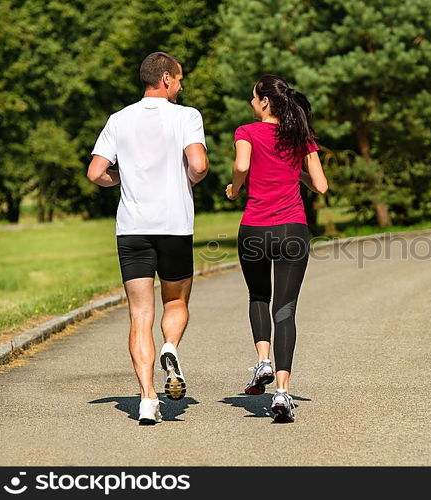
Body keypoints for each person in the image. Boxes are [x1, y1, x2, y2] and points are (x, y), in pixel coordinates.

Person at [87, 52, 208, 425]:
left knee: (140, 315)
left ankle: (147, 398)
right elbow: (200, 165)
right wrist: (188, 180)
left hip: (132, 228)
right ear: (167, 79)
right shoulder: (186, 116)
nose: (182, 85)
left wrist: (121, 180)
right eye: (180, 78)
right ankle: (170, 346)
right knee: (175, 301)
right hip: (174, 225)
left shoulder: (118, 119)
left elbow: (95, 173)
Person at [227, 74, 328, 423]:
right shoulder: (301, 136)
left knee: (258, 296)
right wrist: (293, 173)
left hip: (255, 228)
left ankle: (263, 362)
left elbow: (242, 165)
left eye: (253, 96)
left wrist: (235, 187)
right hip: (292, 230)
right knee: (285, 309)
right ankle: (282, 392)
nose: (251, 102)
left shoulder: (247, 132)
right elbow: (321, 185)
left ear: (265, 101)